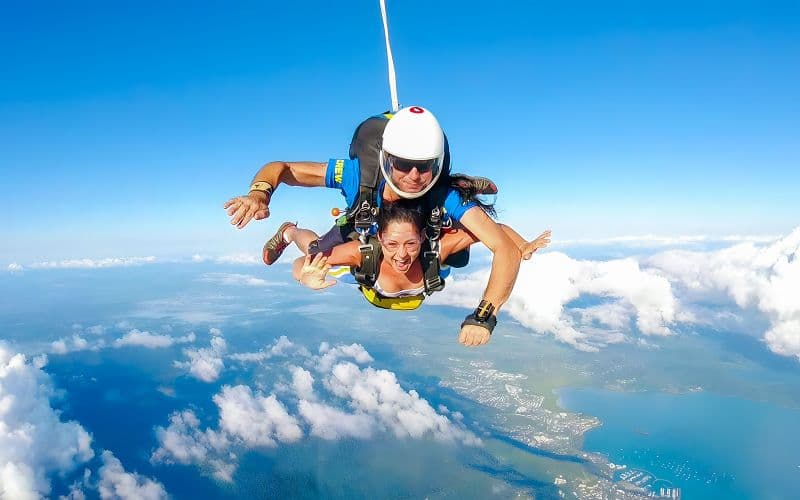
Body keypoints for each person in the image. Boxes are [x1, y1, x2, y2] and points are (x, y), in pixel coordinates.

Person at [224, 106, 523, 347]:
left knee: (454, 249)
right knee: (314, 250)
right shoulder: (358, 174)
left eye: (425, 166)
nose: (414, 176)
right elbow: (285, 169)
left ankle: (462, 184)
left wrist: (485, 315)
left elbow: (503, 247)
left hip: (413, 232)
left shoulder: (444, 194)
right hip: (364, 225)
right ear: (386, 159)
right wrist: (259, 193)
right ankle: (290, 231)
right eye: (403, 164)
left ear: (437, 162)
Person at [279, 202, 550, 346]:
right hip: (367, 280)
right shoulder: (362, 252)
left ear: (422, 237)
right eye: (392, 244)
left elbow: (495, 230)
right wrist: (305, 276)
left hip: (408, 282)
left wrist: (522, 245)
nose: (401, 255)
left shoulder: (438, 248)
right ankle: (290, 230)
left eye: (410, 243)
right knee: (314, 246)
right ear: (380, 238)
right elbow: (304, 262)